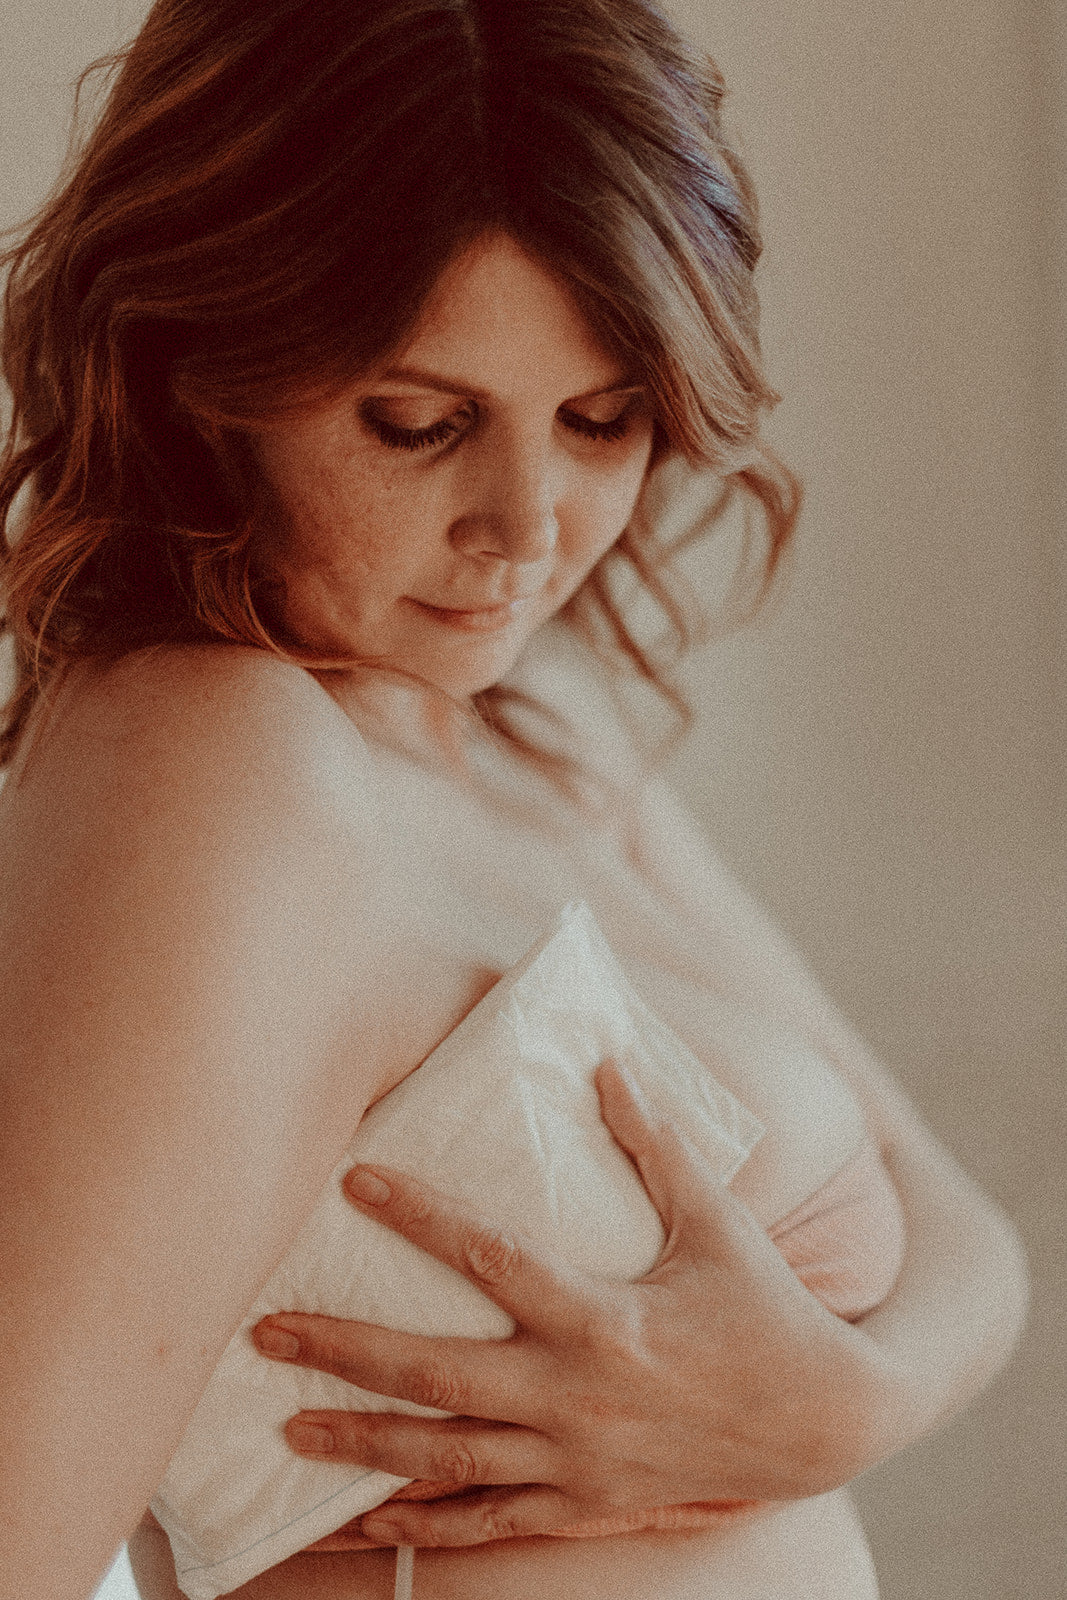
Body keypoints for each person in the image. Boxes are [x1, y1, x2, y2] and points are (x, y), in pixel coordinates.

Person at [0, 2, 1027, 1598]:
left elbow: (962, 1227)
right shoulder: (219, 766)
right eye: (420, 424)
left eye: (602, 419)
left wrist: (838, 1408)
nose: (528, 528)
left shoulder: (540, 723)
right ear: (207, 361)